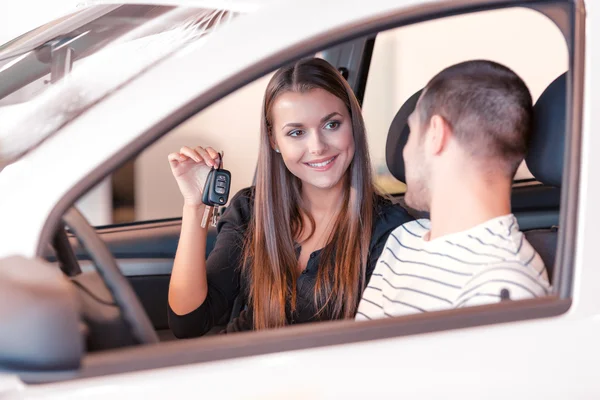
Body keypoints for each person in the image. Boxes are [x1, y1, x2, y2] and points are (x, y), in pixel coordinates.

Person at [167, 57, 413, 336]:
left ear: (354, 124)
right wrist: (195, 204)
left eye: (332, 125)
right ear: (274, 141)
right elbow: (188, 323)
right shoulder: (251, 209)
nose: (317, 146)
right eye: (296, 132)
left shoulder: (391, 230)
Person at [356, 60, 551, 321]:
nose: (404, 152)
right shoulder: (401, 240)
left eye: (412, 132)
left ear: (436, 134)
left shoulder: (505, 286)